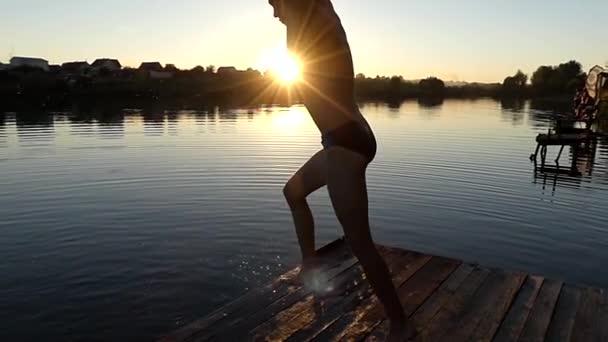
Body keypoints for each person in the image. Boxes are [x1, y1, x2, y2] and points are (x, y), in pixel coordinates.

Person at [268, 0, 416, 340]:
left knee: (359, 242)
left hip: (346, 146)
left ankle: (400, 323)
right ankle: (310, 264)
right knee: (293, 192)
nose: (275, 14)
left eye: (276, 4)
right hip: (339, 142)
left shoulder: (317, 21)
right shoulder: (311, 29)